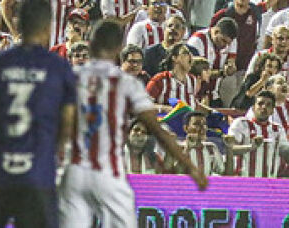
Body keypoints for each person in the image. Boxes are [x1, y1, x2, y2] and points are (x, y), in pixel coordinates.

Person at [60, 19, 206, 227]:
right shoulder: (126, 83)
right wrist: (190, 166)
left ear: (91, 43)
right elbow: (157, 130)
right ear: (119, 49)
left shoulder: (68, 78)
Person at [0, 0, 78, 226]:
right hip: (37, 176)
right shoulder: (58, 67)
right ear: (47, 26)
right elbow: (69, 122)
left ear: (17, 23)